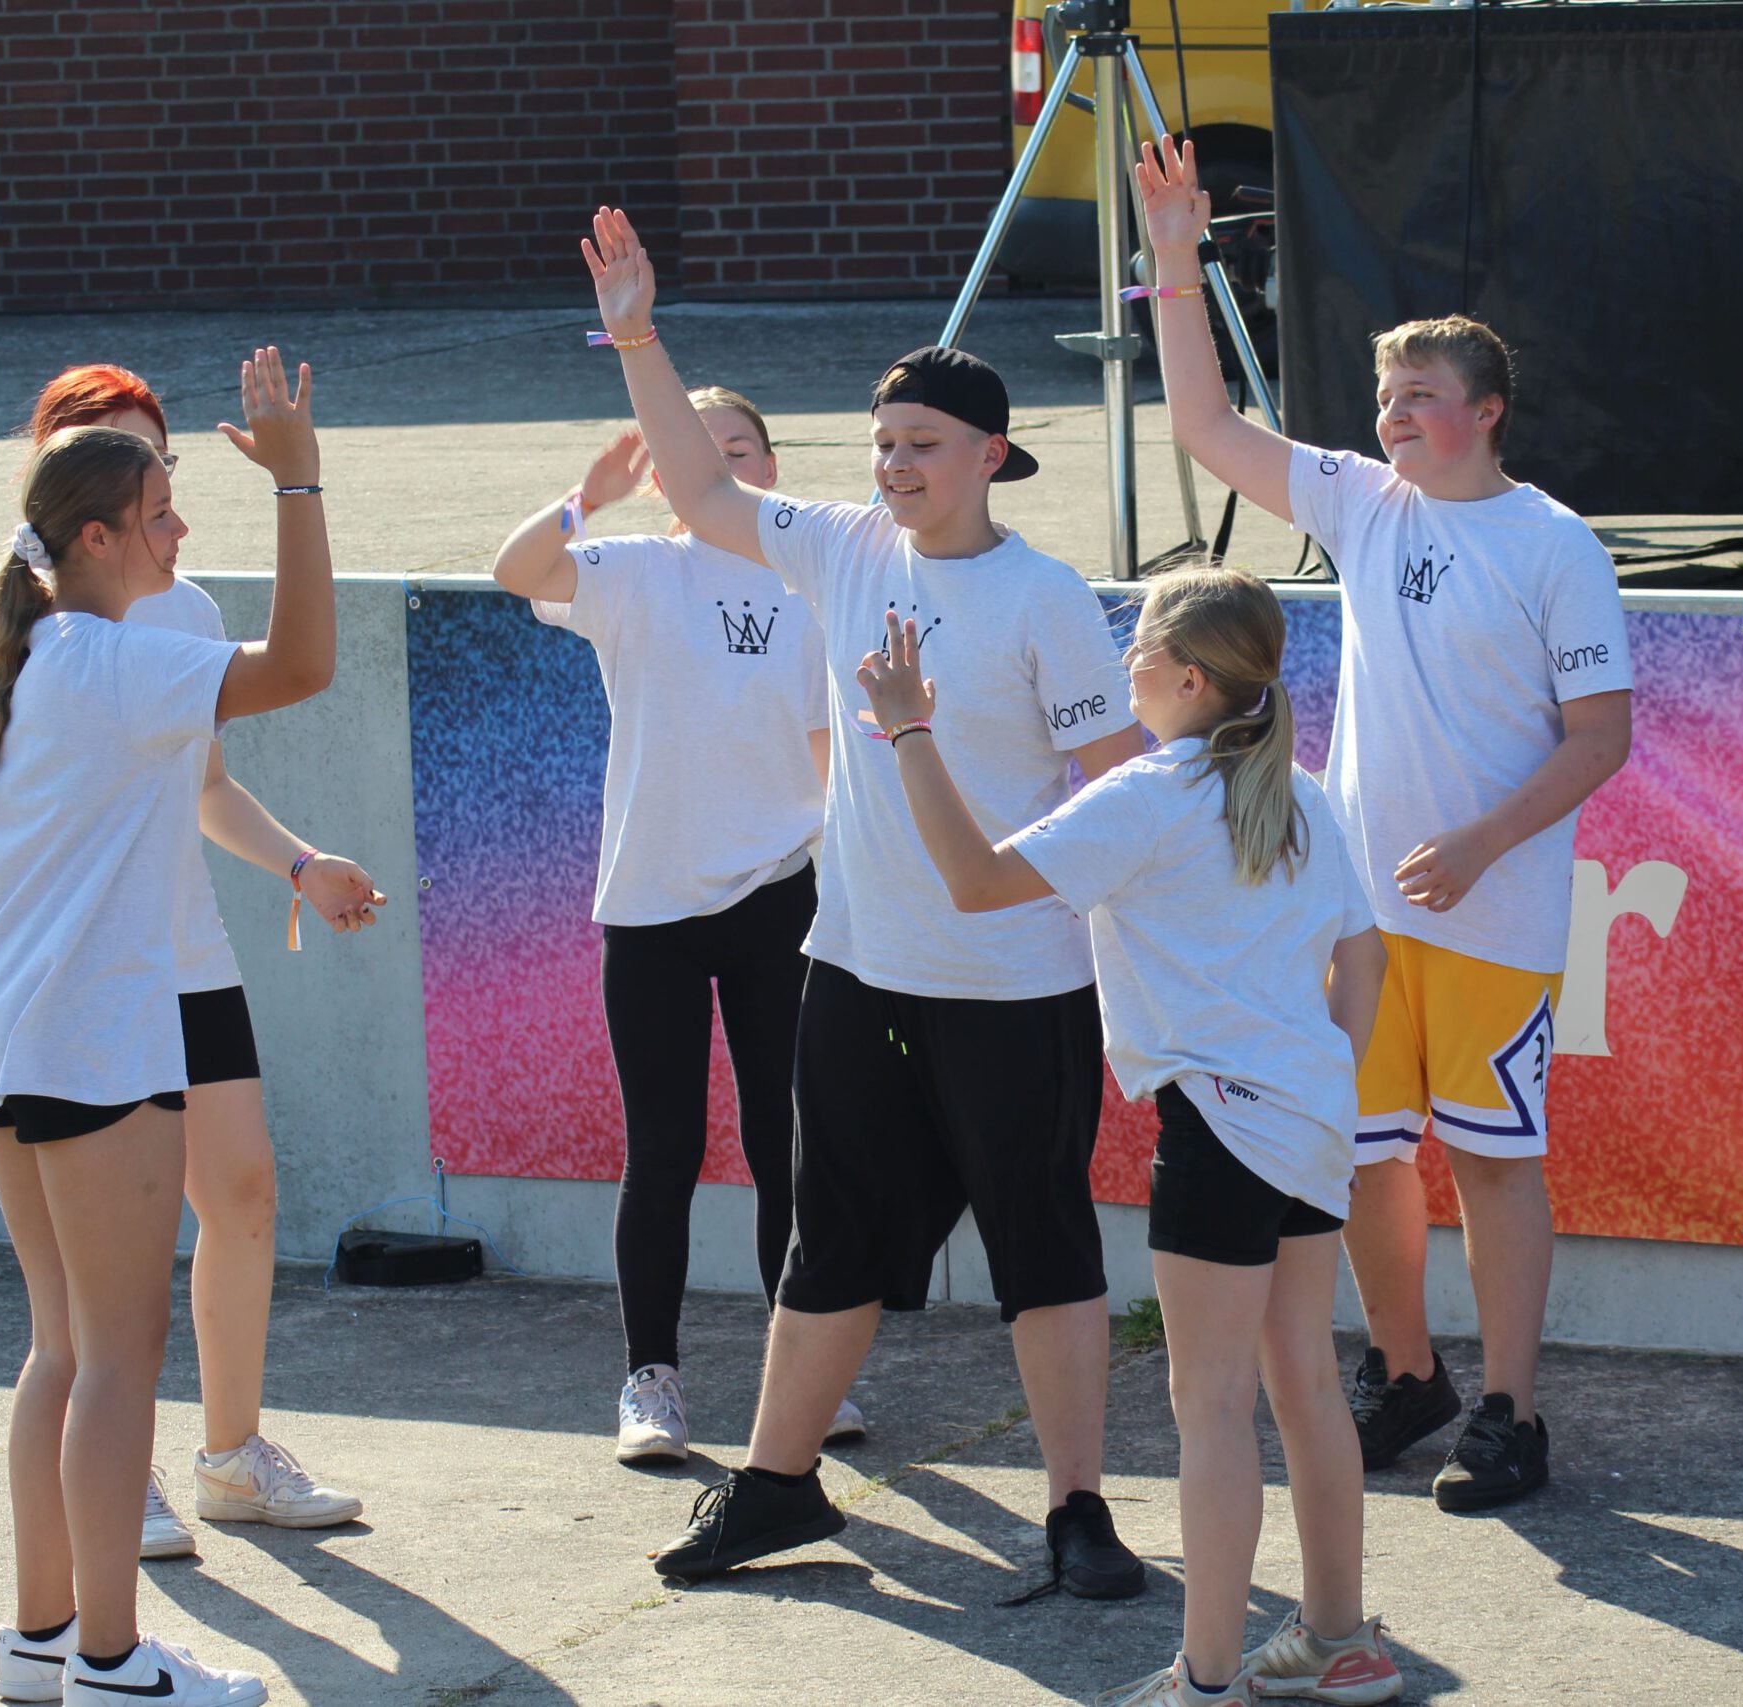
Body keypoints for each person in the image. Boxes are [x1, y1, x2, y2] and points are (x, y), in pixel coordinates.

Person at [573, 206, 1151, 1594]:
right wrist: (639, 339)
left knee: (1043, 1251)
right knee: (825, 1244)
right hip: (854, 970)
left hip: (1015, 988)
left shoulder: (1046, 598)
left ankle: (1078, 1509)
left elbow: (1124, 790)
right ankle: (778, 1487)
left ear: (991, 455)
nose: (894, 466)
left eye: (922, 445)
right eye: (882, 443)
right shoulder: (837, 547)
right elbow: (702, 491)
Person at [1138, 138, 1636, 1513]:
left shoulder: (1555, 543)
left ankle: (1510, 1410)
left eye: (1418, 395)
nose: (1391, 415)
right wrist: (1175, 264)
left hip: (1494, 911)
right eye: (1382, 395)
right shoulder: (1364, 505)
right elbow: (1205, 427)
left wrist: (1480, 842)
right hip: (1359, 908)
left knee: (1492, 1157)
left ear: (1486, 410)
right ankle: (1407, 1372)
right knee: (1362, 1157)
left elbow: (1601, 737)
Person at [860, 568, 1403, 1704]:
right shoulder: (1297, 789)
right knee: (1305, 1384)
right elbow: (1364, 957)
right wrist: (1322, 1079)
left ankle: (1206, 1682)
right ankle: (1338, 1642)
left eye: (1139, 648)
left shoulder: (1151, 794)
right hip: (1306, 1123)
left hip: (1219, 1126)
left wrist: (909, 730)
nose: (1125, 667)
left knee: (1212, 1405)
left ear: (1190, 677)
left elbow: (972, 882)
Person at [0, 348, 333, 1707]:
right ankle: (111, 1661)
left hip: (1, 1040)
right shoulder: (108, 659)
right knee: (117, 1355)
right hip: (89, 1039)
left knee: (62, 1347)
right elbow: (305, 661)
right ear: (97, 538)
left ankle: (40, 1642)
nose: (179, 527)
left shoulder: (26, 655)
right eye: (159, 511)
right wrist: (299, 481)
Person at [24, 365, 378, 1556]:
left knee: (242, 1193)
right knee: (97, 1271)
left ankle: (232, 1457)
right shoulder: (35, 635)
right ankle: (112, 1475)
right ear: (78, 504)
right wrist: (300, 482)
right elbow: (303, 664)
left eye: (160, 462)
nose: (159, 495)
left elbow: (208, 785)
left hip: (185, 957)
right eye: (124, 464)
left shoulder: (182, 611)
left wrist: (299, 863)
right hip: (86, 987)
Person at [488, 392, 868, 1461]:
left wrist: (848, 863)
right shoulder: (634, 572)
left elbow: (824, 743)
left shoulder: (809, 581)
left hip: (779, 895)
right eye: (694, 453)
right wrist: (586, 499)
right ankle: (650, 1380)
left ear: (770, 467)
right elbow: (516, 570)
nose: (721, 467)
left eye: (738, 449)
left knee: (787, 1142)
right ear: (662, 475)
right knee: (663, 1149)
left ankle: (803, 1376)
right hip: (651, 906)